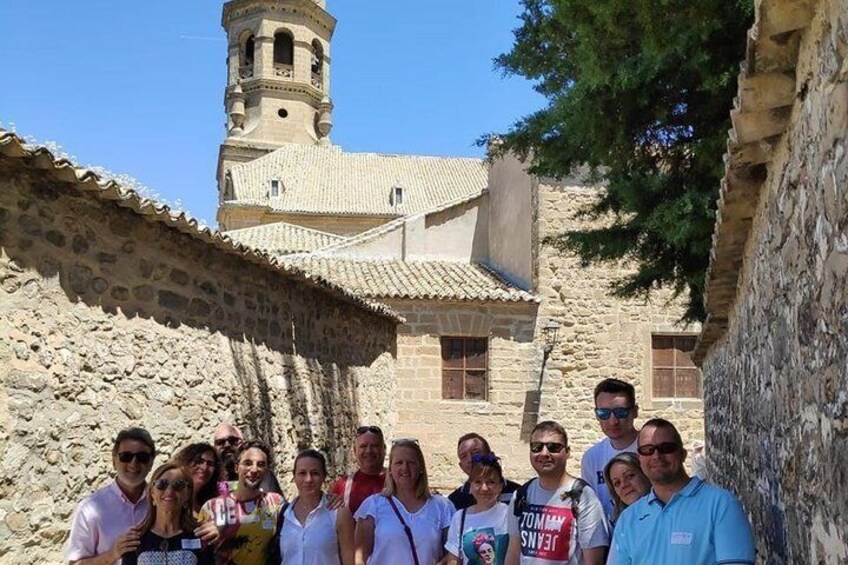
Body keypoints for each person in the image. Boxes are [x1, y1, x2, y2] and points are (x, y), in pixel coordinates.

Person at [610, 419, 755, 565]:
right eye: (647, 450)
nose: (656, 456)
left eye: (666, 448)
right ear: (640, 459)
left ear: (683, 454)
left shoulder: (721, 505)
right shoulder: (628, 519)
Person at [506, 421, 609, 565]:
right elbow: (513, 553)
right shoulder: (521, 495)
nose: (544, 453)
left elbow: (594, 561)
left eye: (553, 447)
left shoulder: (583, 496)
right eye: (536, 447)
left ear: (567, 452)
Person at [354, 439, 455, 564]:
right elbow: (360, 558)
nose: (405, 468)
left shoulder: (442, 507)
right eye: (399, 463)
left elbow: (453, 555)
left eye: (411, 463)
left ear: (421, 468)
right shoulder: (372, 506)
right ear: (390, 469)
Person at [65, 427, 156, 565]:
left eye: (142, 457)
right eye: (126, 456)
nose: (133, 463)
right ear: (114, 460)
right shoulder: (90, 509)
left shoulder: (162, 502)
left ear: (151, 463)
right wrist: (113, 554)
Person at [198, 440, 285, 564]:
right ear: (236, 467)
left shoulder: (276, 503)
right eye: (247, 463)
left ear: (266, 470)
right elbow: (200, 553)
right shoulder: (212, 507)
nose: (254, 469)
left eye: (261, 464)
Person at [270, 449, 355, 565]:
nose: (308, 479)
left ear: (324, 476)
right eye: (302, 473)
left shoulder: (338, 514)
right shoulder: (283, 515)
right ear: (294, 477)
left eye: (315, 473)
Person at [121, 462, 213, 564]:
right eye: (161, 484)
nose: (169, 491)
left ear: (187, 494)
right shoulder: (135, 540)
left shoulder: (200, 536)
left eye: (178, 485)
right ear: (152, 493)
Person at [581, 378, 640, 517]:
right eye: (604, 413)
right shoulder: (591, 458)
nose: (613, 421)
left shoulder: (650, 450)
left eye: (621, 412)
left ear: (635, 412)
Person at [445, 454, 511, 565]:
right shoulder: (460, 518)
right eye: (478, 482)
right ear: (470, 486)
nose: (484, 488)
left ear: (500, 486)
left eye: (491, 482)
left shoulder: (509, 514)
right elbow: (453, 560)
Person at [449, 433, 521, 510]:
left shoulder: (517, 493)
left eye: (475, 452)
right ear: (461, 466)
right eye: (464, 456)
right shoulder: (454, 501)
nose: (470, 459)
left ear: (491, 455)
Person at [212, 422, 282, 495]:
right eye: (220, 442)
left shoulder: (264, 475)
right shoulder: (209, 478)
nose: (227, 445)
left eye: (233, 440)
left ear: (242, 444)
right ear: (214, 448)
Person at [330, 425, 387, 513]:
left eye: (375, 445)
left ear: (384, 449)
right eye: (363, 446)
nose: (369, 451)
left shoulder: (398, 482)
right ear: (355, 450)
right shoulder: (342, 487)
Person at [173, 443, 223, 515]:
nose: (204, 467)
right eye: (199, 461)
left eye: (210, 464)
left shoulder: (210, 505)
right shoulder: (173, 497)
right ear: (186, 462)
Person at [601, 453, 650, 528]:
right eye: (617, 483)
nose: (624, 485)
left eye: (630, 476)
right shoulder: (621, 525)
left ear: (645, 473)